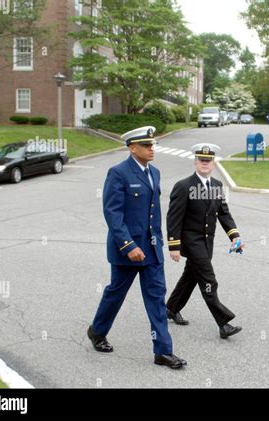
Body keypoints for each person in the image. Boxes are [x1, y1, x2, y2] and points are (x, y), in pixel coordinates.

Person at [87, 126, 187, 370]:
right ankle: (97, 331)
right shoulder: (118, 173)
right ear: (133, 148)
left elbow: (154, 213)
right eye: (147, 145)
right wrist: (128, 244)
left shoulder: (155, 172)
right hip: (127, 251)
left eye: (153, 145)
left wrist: (162, 241)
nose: (152, 149)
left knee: (156, 298)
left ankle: (163, 352)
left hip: (152, 250)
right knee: (116, 293)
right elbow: (112, 213)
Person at [166, 144, 244, 339]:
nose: (205, 163)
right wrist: (174, 246)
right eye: (201, 160)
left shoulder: (217, 186)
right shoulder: (183, 186)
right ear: (195, 162)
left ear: (213, 163)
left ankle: (171, 309)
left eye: (208, 160)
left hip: (207, 243)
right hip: (191, 243)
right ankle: (223, 322)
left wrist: (235, 236)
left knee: (190, 278)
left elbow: (224, 214)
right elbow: (173, 218)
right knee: (209, 281)